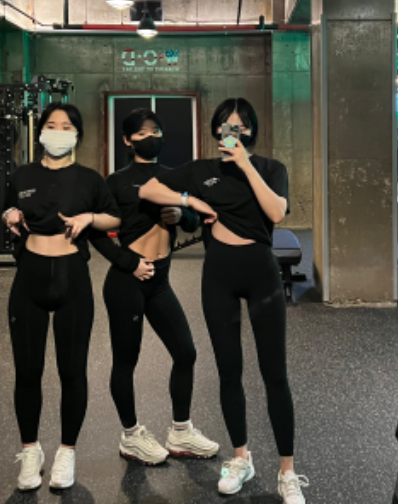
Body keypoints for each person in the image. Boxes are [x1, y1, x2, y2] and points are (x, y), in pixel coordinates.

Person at [139, 98, 309, 504]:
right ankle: (240, 458)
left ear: (250, 131)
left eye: (241, 125)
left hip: (261, 274)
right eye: (226, 125)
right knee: (228, 371)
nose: (233, 131)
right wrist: (191, 201)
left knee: (275, 374)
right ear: (216, 130)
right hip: (218, 277)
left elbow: (277, 213)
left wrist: (246, 165)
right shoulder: (202, 171)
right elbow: (148, 188)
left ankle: (287, 471)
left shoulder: (270, 168)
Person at [3, 103, 134, 493]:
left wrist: (89, 218)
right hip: (29, 280)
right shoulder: (22, 175)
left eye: (65, 127)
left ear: (76, 135)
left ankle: (67, 451)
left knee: (72, 372)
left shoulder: (90, 179)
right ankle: (30, 451)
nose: (57, 132)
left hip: (72, 280)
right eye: (50, 125)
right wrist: (9, 214)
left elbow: (114, 218)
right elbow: (9, 208)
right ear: (40, 131)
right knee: (27, 372)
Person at [89, 108, 219, 465]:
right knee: (125, 361)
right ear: (127, 140)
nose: (151, 137)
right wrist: (128, 263)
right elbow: (95, 232)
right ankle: (130, 436)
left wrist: (181, 215)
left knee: (186, 353)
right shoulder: (116, 182)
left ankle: (181, 431)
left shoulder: (172, 177)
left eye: (156, 131)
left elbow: (193, 221)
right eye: (142, 133)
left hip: (160, 280)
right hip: (127, 281)